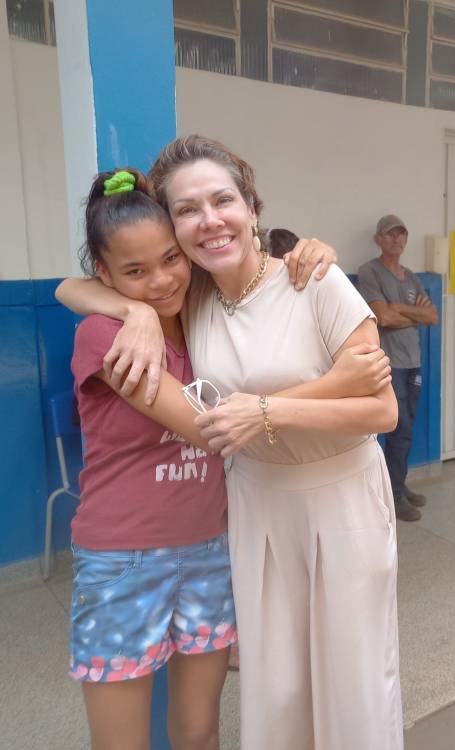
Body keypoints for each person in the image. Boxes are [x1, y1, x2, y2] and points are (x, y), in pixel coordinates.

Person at [57, 136, 404, 750]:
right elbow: (73, 287)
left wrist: (273, 407)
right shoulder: (179, 302)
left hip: (301, 515)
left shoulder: (291, 284)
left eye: (223, 199)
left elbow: (380, 407)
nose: (208, 219)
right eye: (188, 210)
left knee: (347, 679)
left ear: (252, 205)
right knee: (276, 684)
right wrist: (131, 312)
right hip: (220, 521)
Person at [66, 168, 236, 750]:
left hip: (209, 551)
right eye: (135, 272)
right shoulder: (102, 333)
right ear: (105, 275)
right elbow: (204, 428)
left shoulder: (203, 321)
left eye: (171, 258)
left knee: (200, 732)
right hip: (123, 562)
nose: (162, 280)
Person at [357, 215, 438, 522]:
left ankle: (398, 485)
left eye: (402, 235)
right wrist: (411, 313)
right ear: (379, 239)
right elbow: (382, 317)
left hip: (413, 360)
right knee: (398, 427)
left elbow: (432, 317)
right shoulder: (370, 271)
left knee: (407, 426)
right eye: (390, 236)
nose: (397, 241)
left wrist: (399, 308)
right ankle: (393, 494)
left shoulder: (411, 276)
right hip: (388, 363)